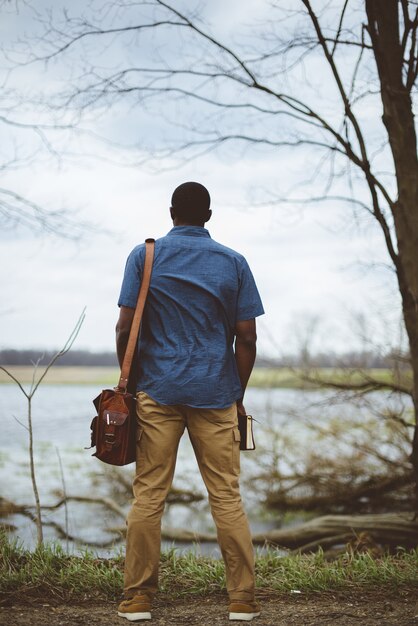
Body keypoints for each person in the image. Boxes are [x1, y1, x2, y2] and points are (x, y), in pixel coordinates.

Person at [115, 182, 264, 622]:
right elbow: (248, 336)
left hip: (157, 392)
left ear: (171, 212)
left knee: (148, 495)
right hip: (216, 394)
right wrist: (237, 391)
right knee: (226, 495)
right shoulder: (234, 262)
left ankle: (138, 597)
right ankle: (242, 599)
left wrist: (131, 380)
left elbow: (125, 328)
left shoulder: (144, 256)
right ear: (210, 216)